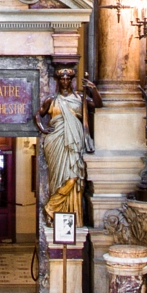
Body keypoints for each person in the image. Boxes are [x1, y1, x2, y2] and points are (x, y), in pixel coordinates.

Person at [37, 62, 99, 224]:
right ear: (58, 81)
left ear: (71, 80)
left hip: (75, 141)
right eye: (62, 79)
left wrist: (93, 89)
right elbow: (38, 115)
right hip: (56, 141)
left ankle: (52, 207)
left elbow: (97, 104)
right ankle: (53, 207)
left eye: (68, 79)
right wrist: (43, 129)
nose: (65, 82)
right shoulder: (52, 99)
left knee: (73, 177)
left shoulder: (79, 97)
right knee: (58, 177)